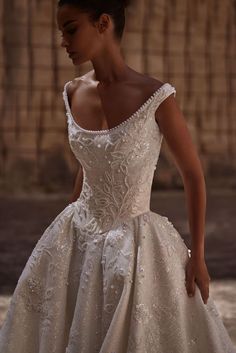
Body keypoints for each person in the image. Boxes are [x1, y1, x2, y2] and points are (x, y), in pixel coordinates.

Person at [0, 0, 235, 352]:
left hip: (135, 237)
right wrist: (69, 235)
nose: (63, 40)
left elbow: (193, 174)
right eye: (60, 31)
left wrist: (198, 255)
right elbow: (88, 161)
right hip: (78, 231)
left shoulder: (155, 96)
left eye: (71, 28)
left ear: (103, 24)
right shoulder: (72, 92)